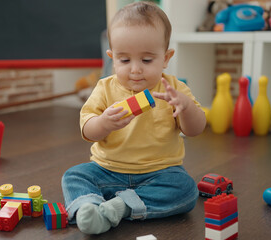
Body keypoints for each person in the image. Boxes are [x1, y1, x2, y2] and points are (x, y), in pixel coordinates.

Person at [61, 2, 206, 234]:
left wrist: (186, 108)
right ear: (112, 58)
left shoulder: (174, 89)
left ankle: (120, 207)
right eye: (125, 60)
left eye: (147, 60)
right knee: (74, 175)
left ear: (166, 58)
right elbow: (87, 130)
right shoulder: (104, 88)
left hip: (160, 173)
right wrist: (104, 123)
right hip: (107, 171)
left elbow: (196, 129)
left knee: (187, 190)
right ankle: (90, 208)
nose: (135, 69)